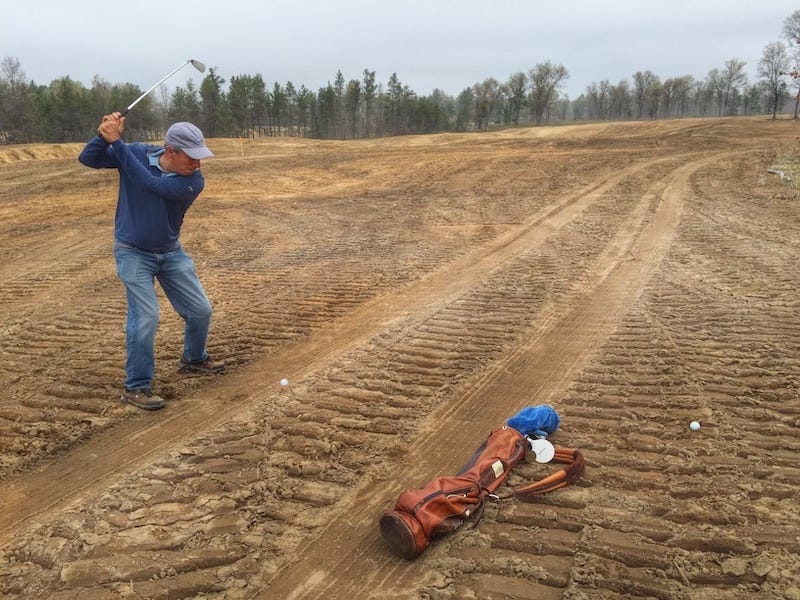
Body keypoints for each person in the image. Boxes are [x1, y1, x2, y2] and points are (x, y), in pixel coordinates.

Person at [79, 115, 224, 411]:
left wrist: (117, 142)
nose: (197, 165)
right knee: (145, 317)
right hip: (132, 252)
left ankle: (193, 358)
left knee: (200, 310)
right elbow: (89, 158)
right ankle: (136, 386)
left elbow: (147, 184)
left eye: (200, 158)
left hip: (170, 252)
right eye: (192, 157)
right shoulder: (136, 153)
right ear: (171, 150)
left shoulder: (192, 182)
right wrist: (103, 135)